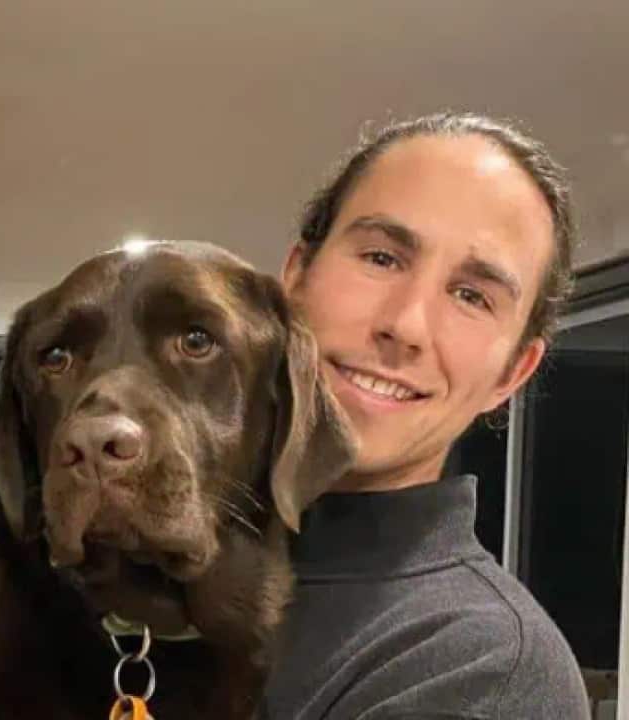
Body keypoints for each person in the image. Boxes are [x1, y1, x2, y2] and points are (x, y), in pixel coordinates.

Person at [263, 113, 590, 718]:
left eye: (472, 296)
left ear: (511, 373)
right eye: (382, 258)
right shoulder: (163, 559)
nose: (406, 324)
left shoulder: (482, 667)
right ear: (295, 277)